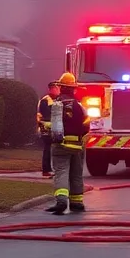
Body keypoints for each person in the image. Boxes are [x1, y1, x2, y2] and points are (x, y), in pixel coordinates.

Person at [47, 72, 87, 215]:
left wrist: (45, 127)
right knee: (76, 173)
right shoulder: (79, 105)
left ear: (61, 88)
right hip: (77, 145)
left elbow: (53, 125)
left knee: (61, 172)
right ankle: (77, 203)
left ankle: (62, 201)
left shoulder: (57, 104)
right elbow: (86, 124)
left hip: (61, 145)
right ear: (74, 89)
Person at [37, 81, 59, 178]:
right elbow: (46, 115)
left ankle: (49, 169)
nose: (58, 90)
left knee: (51, 149)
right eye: (56, 88)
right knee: (47, 149)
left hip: (52, 127)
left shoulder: (55, 100)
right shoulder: (45, 100)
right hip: (47, 129)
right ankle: (46, 170)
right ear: (51, 89)